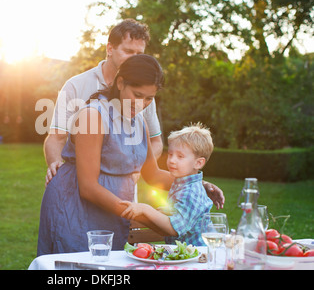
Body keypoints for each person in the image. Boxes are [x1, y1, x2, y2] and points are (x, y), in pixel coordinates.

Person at [44, 18, 224, 209]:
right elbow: (57, 138)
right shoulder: (77, 87)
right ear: (110, 49)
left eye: (139, 53)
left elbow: (152, 149)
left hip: (123, 199)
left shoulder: (142, 101)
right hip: (80, 202)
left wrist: (195, 185)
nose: (134, 58)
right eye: (129, 51)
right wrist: (56, 165)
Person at [38, 54, 174, 255]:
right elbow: (88, 188)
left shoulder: (140, 123)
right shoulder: (93, 116)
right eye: (137, 95)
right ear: (120, 83)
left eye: (149, 98)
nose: (141, 104)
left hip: (114, 209)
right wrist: (148, 216)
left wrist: (196, 184)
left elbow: (152, 174)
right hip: (74, 210)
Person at [120, 123, 214, 246]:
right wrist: (166, 211)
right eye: (170, 154)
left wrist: (145, 209)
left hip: (196, 257)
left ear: (198, 163)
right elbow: (181, 213)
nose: (172, 160)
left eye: (180, 156)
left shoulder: (191, 191)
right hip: (185, 253)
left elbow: (173, 228)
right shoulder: (181, 184)